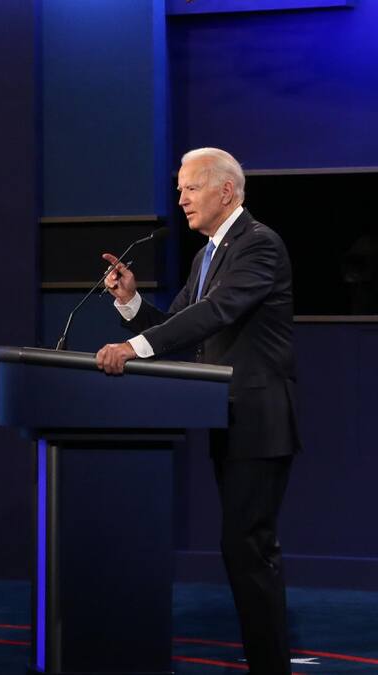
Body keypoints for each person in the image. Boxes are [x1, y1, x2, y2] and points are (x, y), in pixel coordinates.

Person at [95, 148, 299, 674]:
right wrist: (132, 306)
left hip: (258, 423)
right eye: (180, 188)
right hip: (225, 420)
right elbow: (183, 321)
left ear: (225, 191)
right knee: (241, 552)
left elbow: (217, 312)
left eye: (190, 188)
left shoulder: (259, 246)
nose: (180, 198)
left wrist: (134, 347)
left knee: (248, 552)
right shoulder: (207, 254)